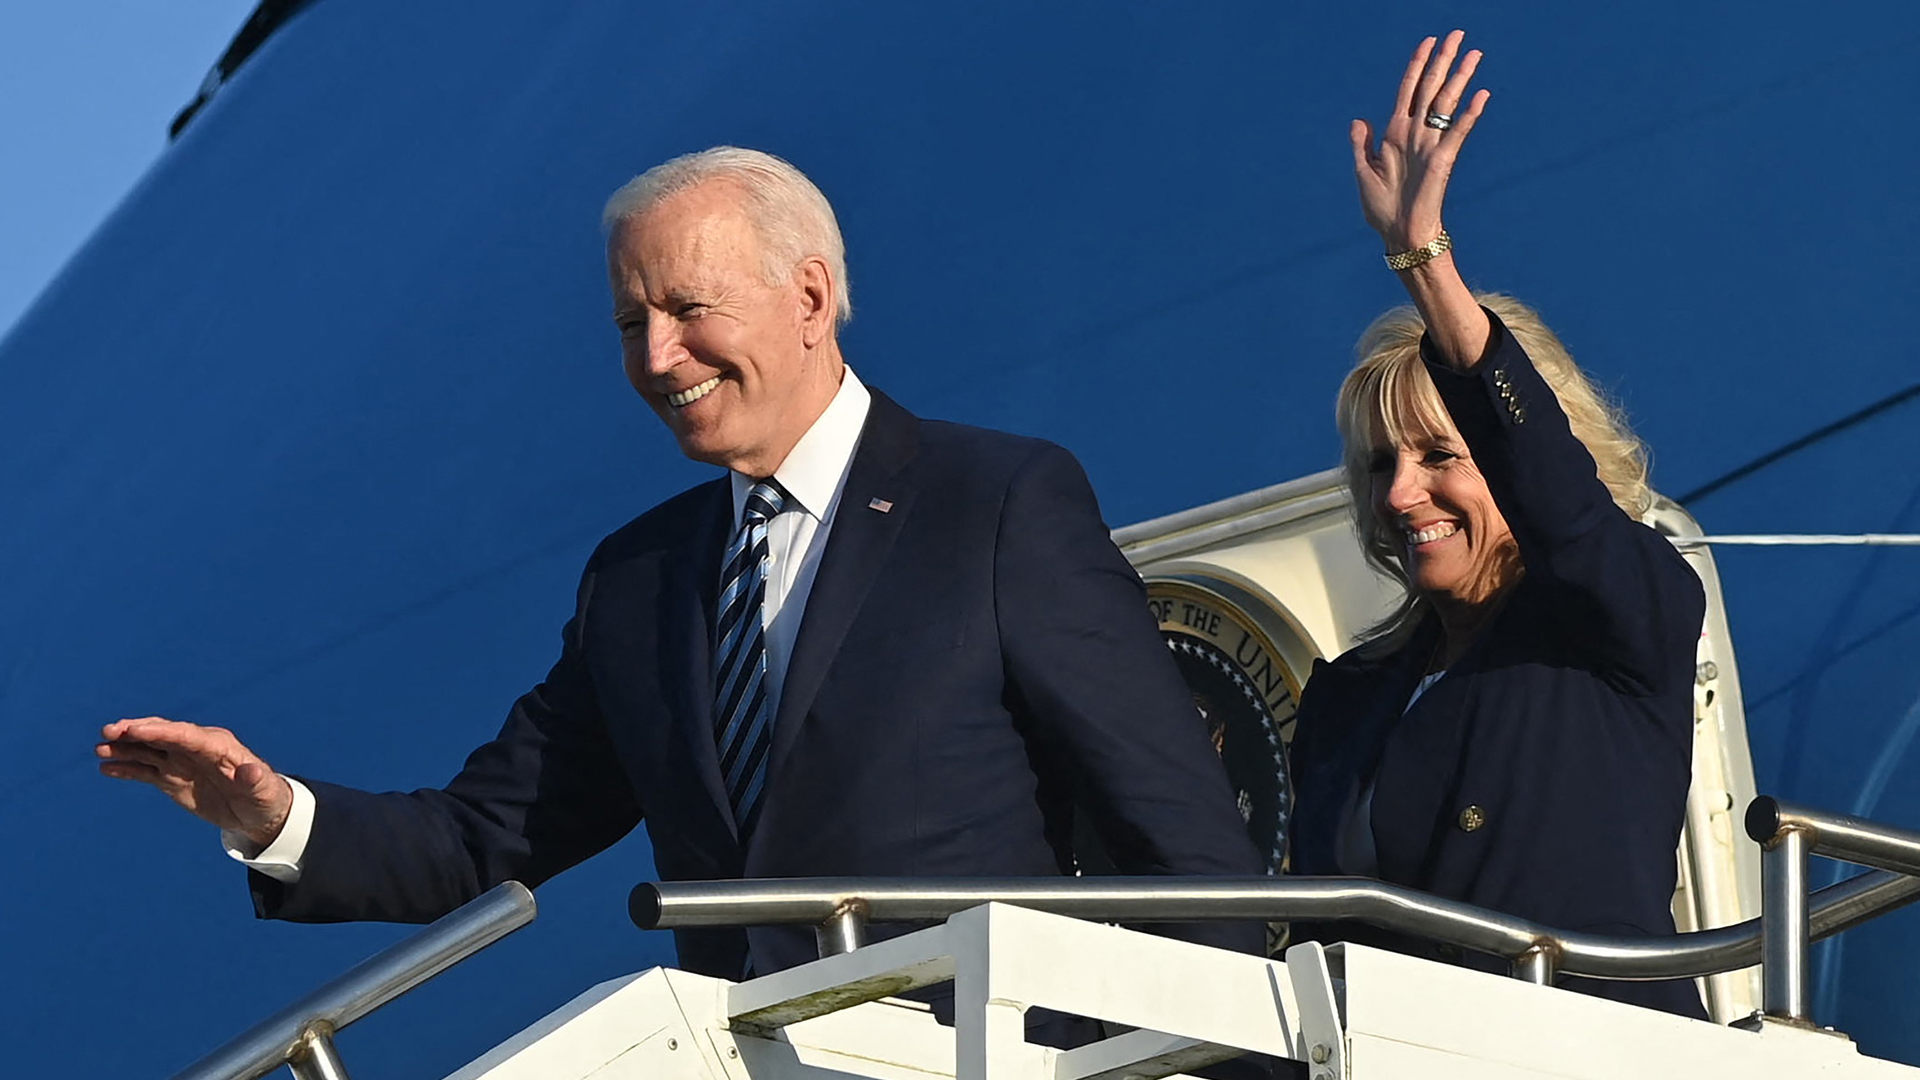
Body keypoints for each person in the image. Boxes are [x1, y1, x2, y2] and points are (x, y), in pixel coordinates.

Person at [98, 147, 1263, 983]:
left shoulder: (996, 501)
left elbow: (1179, 835)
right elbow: (482, 836)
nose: (659, 357)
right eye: (627, 322)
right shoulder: (640, 581)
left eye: (688, 308)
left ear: (808, 296)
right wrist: (270, 814)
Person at [1284, 33, 1708, 1018]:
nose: (1400, 495)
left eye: (1439, 457)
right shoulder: (1349, 698)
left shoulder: (1615, 619)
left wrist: (1424, 263)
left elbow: (1560, 502)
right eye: (1384, 465)